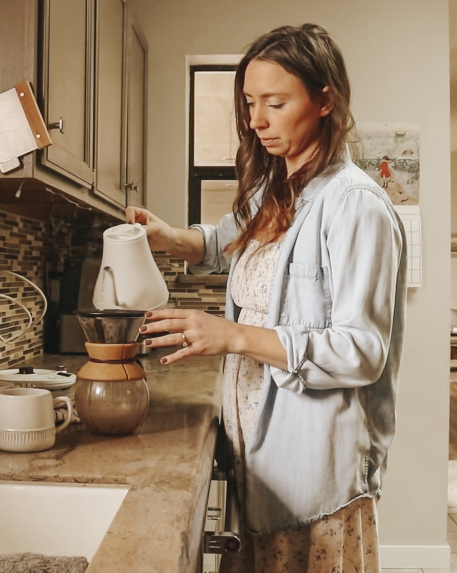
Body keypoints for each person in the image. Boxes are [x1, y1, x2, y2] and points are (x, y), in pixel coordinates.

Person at [128, 24, 406, 573]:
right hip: (257, 456)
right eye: (251, 103)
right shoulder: (273, 190)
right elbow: (224, 244)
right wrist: (169, 237)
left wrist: (231, 335)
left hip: (313, 471)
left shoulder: (356, 207)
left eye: (275, 103)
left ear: (325, 99)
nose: (256, 121)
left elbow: (361, 351)